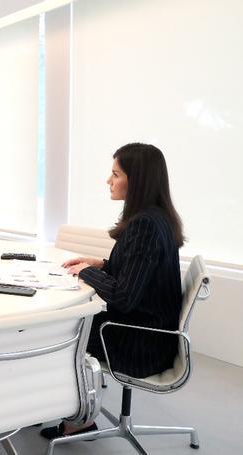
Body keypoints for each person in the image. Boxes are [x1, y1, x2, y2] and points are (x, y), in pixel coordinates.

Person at [41, 143, 185, 439]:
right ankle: (68, 409)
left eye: (115, 174)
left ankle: (79, 420)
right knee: (68, 325)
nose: (108, 180)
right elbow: (140, 271)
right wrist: (102, 263)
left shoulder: (144, 224)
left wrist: (87, 272)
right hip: (153, 335)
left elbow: (123, 296)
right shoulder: (156, 217)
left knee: (57, 335)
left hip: (140, 345)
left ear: (137, 180)